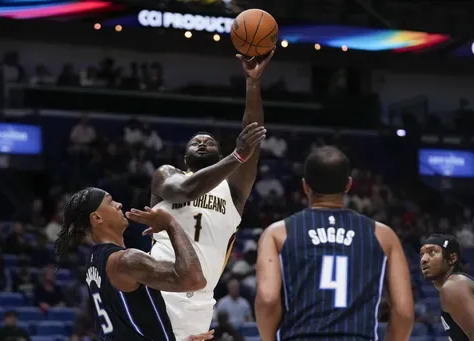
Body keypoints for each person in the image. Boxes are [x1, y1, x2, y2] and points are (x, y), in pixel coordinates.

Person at [149, 51, 274, 340]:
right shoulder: (167, 175)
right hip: (157, 286)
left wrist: (252, 83)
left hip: (201, 301)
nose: (202, 141)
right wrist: (236, 155)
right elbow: (186, 190)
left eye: (209, 141)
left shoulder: (233, 189)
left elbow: (252, 133)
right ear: (185, 157)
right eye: (196, 141)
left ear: (220, 152)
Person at [255, 146, 415, 341]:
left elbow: (267, 301)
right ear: (348, 185)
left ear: (305, 186)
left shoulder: (277, 233)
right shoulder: (383, 235)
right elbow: (404, 312)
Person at [54, 187, 214, 341]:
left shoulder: (93, 261)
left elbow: (122, 322)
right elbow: (194, 280)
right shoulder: (126, 261)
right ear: (97, 218)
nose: (119, 204)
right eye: (110, 202)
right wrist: (170, 223)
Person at [420, 234, 474, 340]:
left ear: (452, 259)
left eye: (432, 252)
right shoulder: (456, 285)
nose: (423, 259)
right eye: (422, 254)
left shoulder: (454, 286)